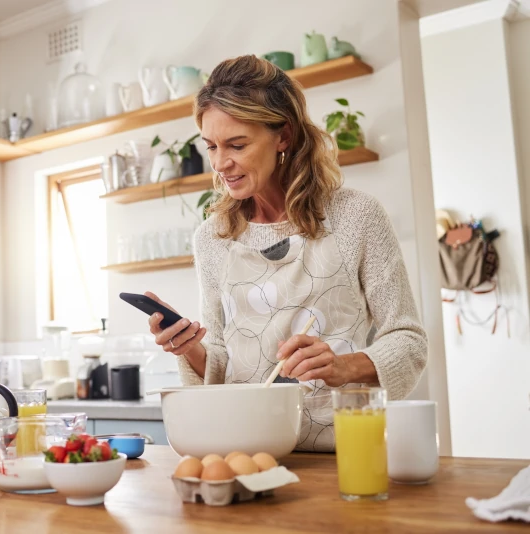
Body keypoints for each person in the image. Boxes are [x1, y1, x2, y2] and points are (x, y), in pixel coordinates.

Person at [145, 55, 428, 452]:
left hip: (344, 452)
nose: (221, 163)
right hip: (244, 451)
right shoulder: (213, 238)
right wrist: (187, 346)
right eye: (211, 146)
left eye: (237, 144)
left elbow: (409, 341)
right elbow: (225, 363)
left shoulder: (355, 216)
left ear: (284, 136)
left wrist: (344, 367)